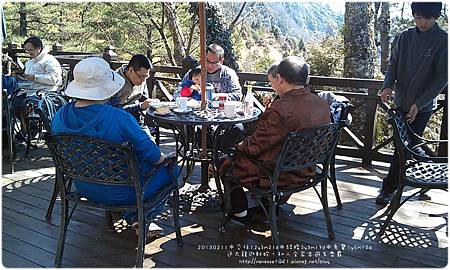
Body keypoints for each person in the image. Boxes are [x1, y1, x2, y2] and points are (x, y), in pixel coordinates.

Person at [51, 57, 179, 237]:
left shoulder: (59, 116)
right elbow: (154, 156)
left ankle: (133, 215)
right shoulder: (119, 118)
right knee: (173, 168)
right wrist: (166, 159)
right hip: (124, 191)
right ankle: (140, 217)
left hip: (84, 187)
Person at [219, 56, 331, 221]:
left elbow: (255, 146)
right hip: (307, 169)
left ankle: (239, 211)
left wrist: (236, 147)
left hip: (280, 175)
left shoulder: (280, 109)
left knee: (225, 162)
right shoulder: (321, 103)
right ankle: (268, 207)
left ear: (279, 78)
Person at [376, 2, 447, 205]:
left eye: (427, 18)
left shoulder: (443, 40)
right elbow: (393, 64)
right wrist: (387, 86)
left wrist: (419, 103)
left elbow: (442, 78)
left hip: (422, 107)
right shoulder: (405, 36)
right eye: (417, 17)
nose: (422, 22)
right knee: (410, 145)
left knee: (404, 147)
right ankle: (428, 175)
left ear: (436, 17)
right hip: (400, 103)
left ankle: (388, 189)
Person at [174, 43, 242, 101]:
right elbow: (177, 92)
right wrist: (189, 95)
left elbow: (237, 95)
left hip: (221, 111)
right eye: (207, 61)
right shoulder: (195, 72)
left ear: (221, 61)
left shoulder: (228, 74)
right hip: (197, 111)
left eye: (214, 62)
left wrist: (214, 97)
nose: (210, 65)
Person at [108, 54, 154, 121]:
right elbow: (114, 110)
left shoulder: (142, 78)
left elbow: (142, 97)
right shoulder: (114, 81)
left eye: (146, 76)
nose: (143, 81)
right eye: (141, 76)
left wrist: (152, 103)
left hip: (138, 117)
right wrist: (140, 106)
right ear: (131, 70)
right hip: (118, 120)